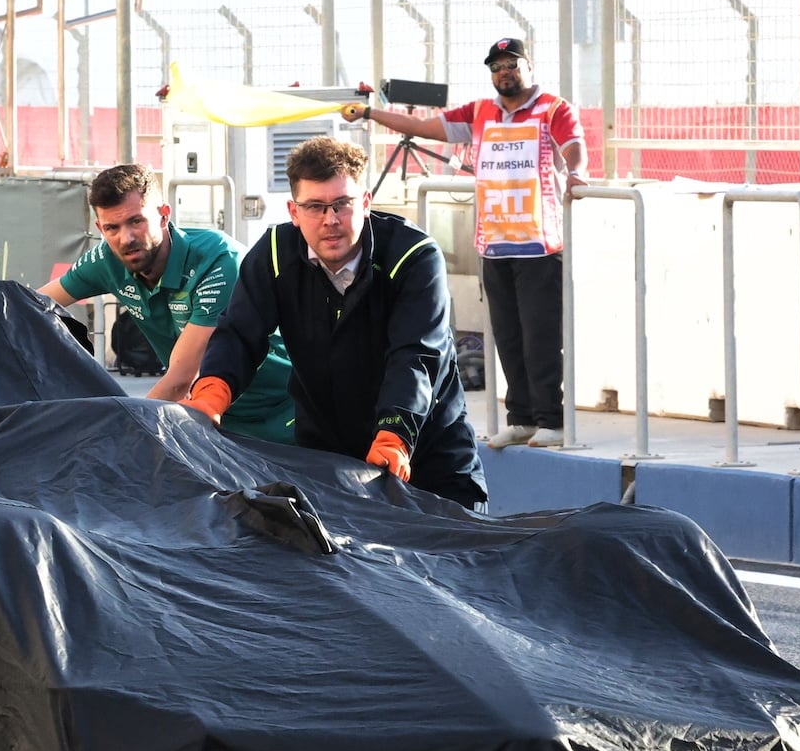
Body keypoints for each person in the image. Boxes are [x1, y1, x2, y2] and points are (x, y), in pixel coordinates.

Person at [188, 136, 486, 510]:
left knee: (455, 542)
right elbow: (238, 334)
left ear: (365, 202)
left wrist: (394, 434)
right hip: (327, 453)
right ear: (294, 211)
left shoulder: (413, 257)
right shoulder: (274, 254)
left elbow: (416, 355)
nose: (330, 220)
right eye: (315, 206)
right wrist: (210, 395)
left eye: (342, 204)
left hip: (424, 449)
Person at [343, 36, 589, 448]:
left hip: (539, 245)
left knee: (541, 338)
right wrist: (370, 113)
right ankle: (522, 418)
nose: (504, 73)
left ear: (528, 67)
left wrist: (577, 172)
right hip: (494, 245)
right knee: (507, 338)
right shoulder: (480, 112)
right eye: (496, 67)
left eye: (511, 64)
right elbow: (424, 127)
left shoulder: (553, 108)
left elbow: (574, 146)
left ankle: (552, 418)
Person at [38, 163, 296, 445]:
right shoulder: (106, 260)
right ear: (100, 228)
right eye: (112, 228)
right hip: (212, 417)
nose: (126, 238)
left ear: (164, 214)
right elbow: (31, 306)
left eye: (136, 221)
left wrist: (125, 437)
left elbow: (181, 379)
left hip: (283, 411)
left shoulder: (217, 260)